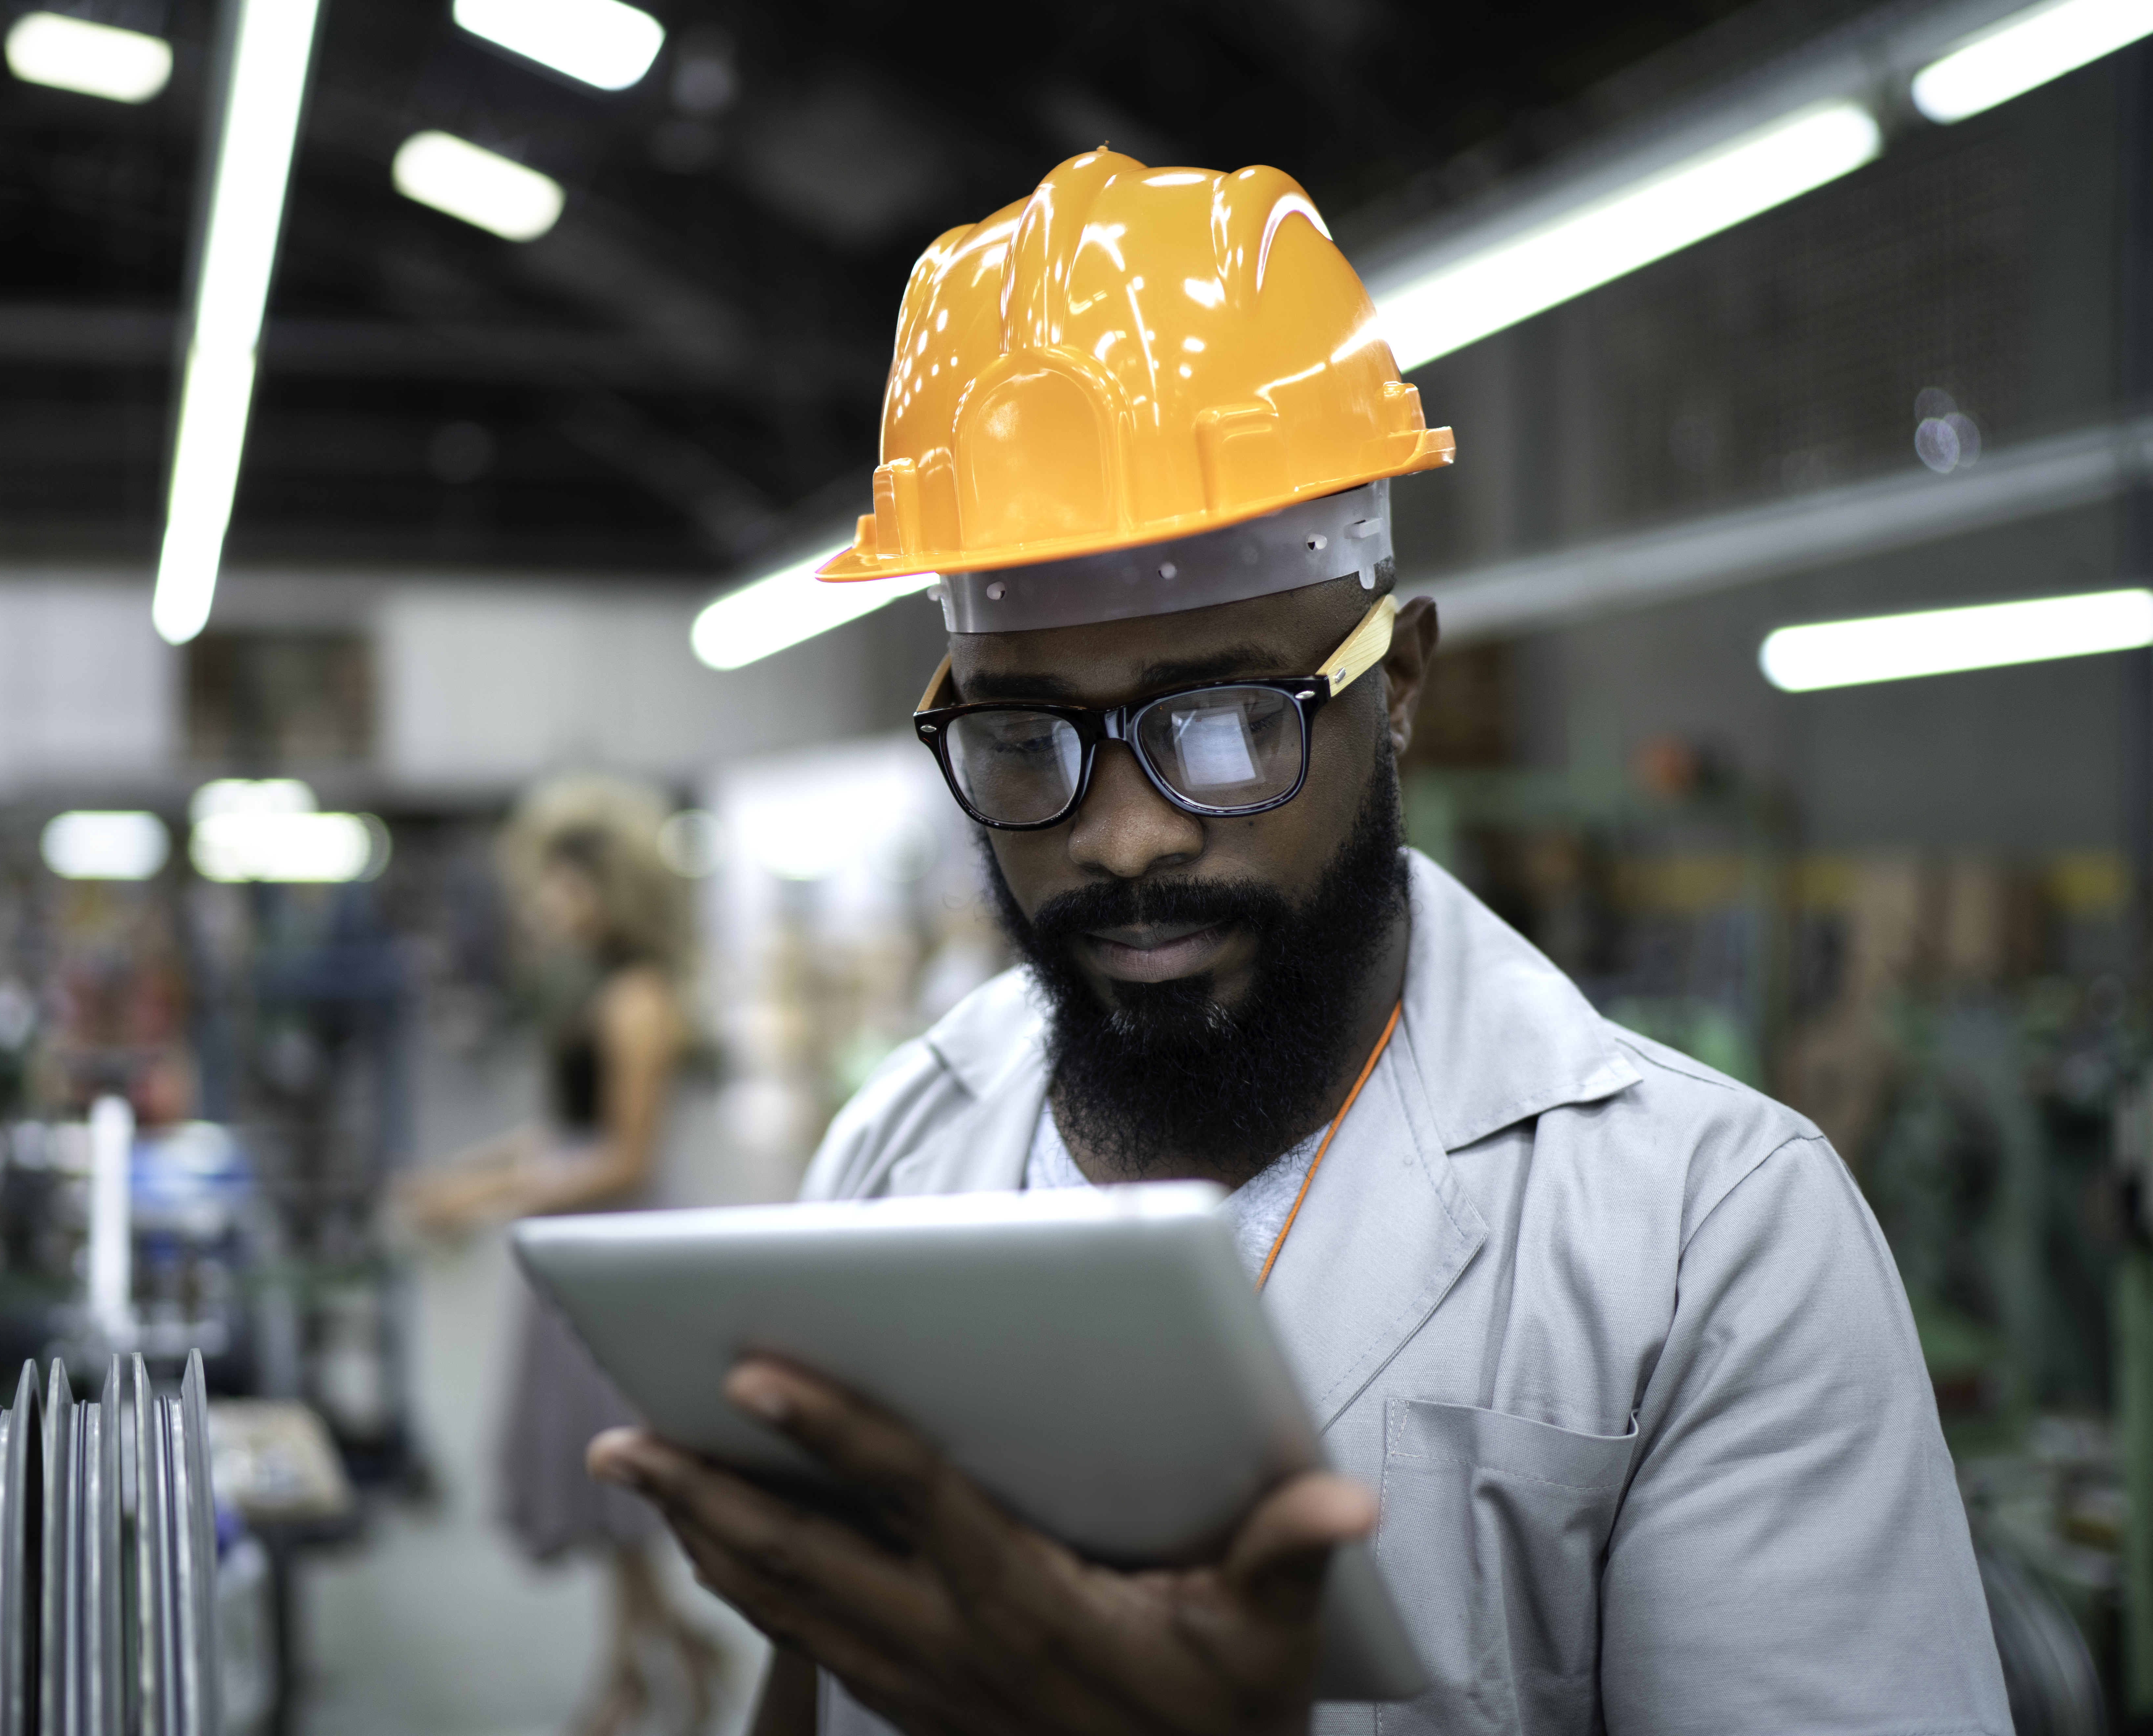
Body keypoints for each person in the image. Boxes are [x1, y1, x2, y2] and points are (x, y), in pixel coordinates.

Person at [586, 151, 2012, 1736]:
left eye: (1216, 725)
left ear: (1391, 683)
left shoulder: (1706, 1243)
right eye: (1020, 736)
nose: (1122, 836)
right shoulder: (901, 1150)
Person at [405, 782, 726, 1735]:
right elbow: (568, 1127)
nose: (548, 907)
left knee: (623, 1479)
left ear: (608, 891)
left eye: (564, 888)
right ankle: (668, 1657)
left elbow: (625, 1154)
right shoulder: (596, 990)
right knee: (606, 1481)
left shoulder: (637, 999)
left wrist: (487, 1200)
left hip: (622, 1251)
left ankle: (630, 1677)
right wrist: (466, 1174)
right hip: (586, 1243)